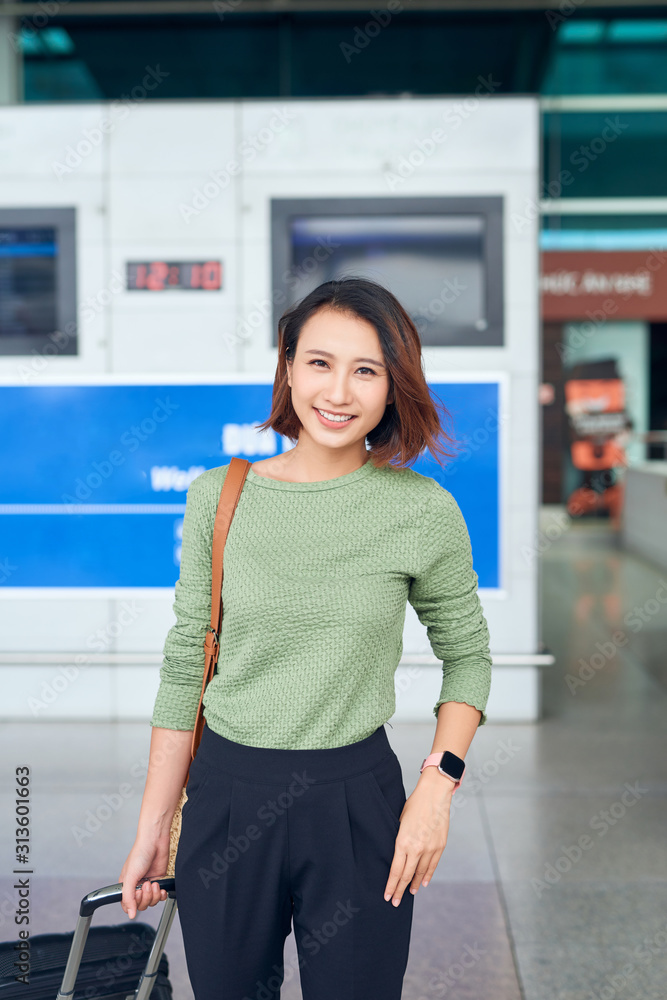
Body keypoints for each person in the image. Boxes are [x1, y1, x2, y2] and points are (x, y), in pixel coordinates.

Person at [119, 276, 493, 1000]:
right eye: (319, 362)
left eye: (366, 370)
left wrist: (435, 790)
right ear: (287, 367)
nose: (339, 391)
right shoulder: (216, 497)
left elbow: (468, 657)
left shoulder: (421, 511)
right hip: (225, 797)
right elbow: (183, 668)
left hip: (356, 803)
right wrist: (153, 828)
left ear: (392, 387)